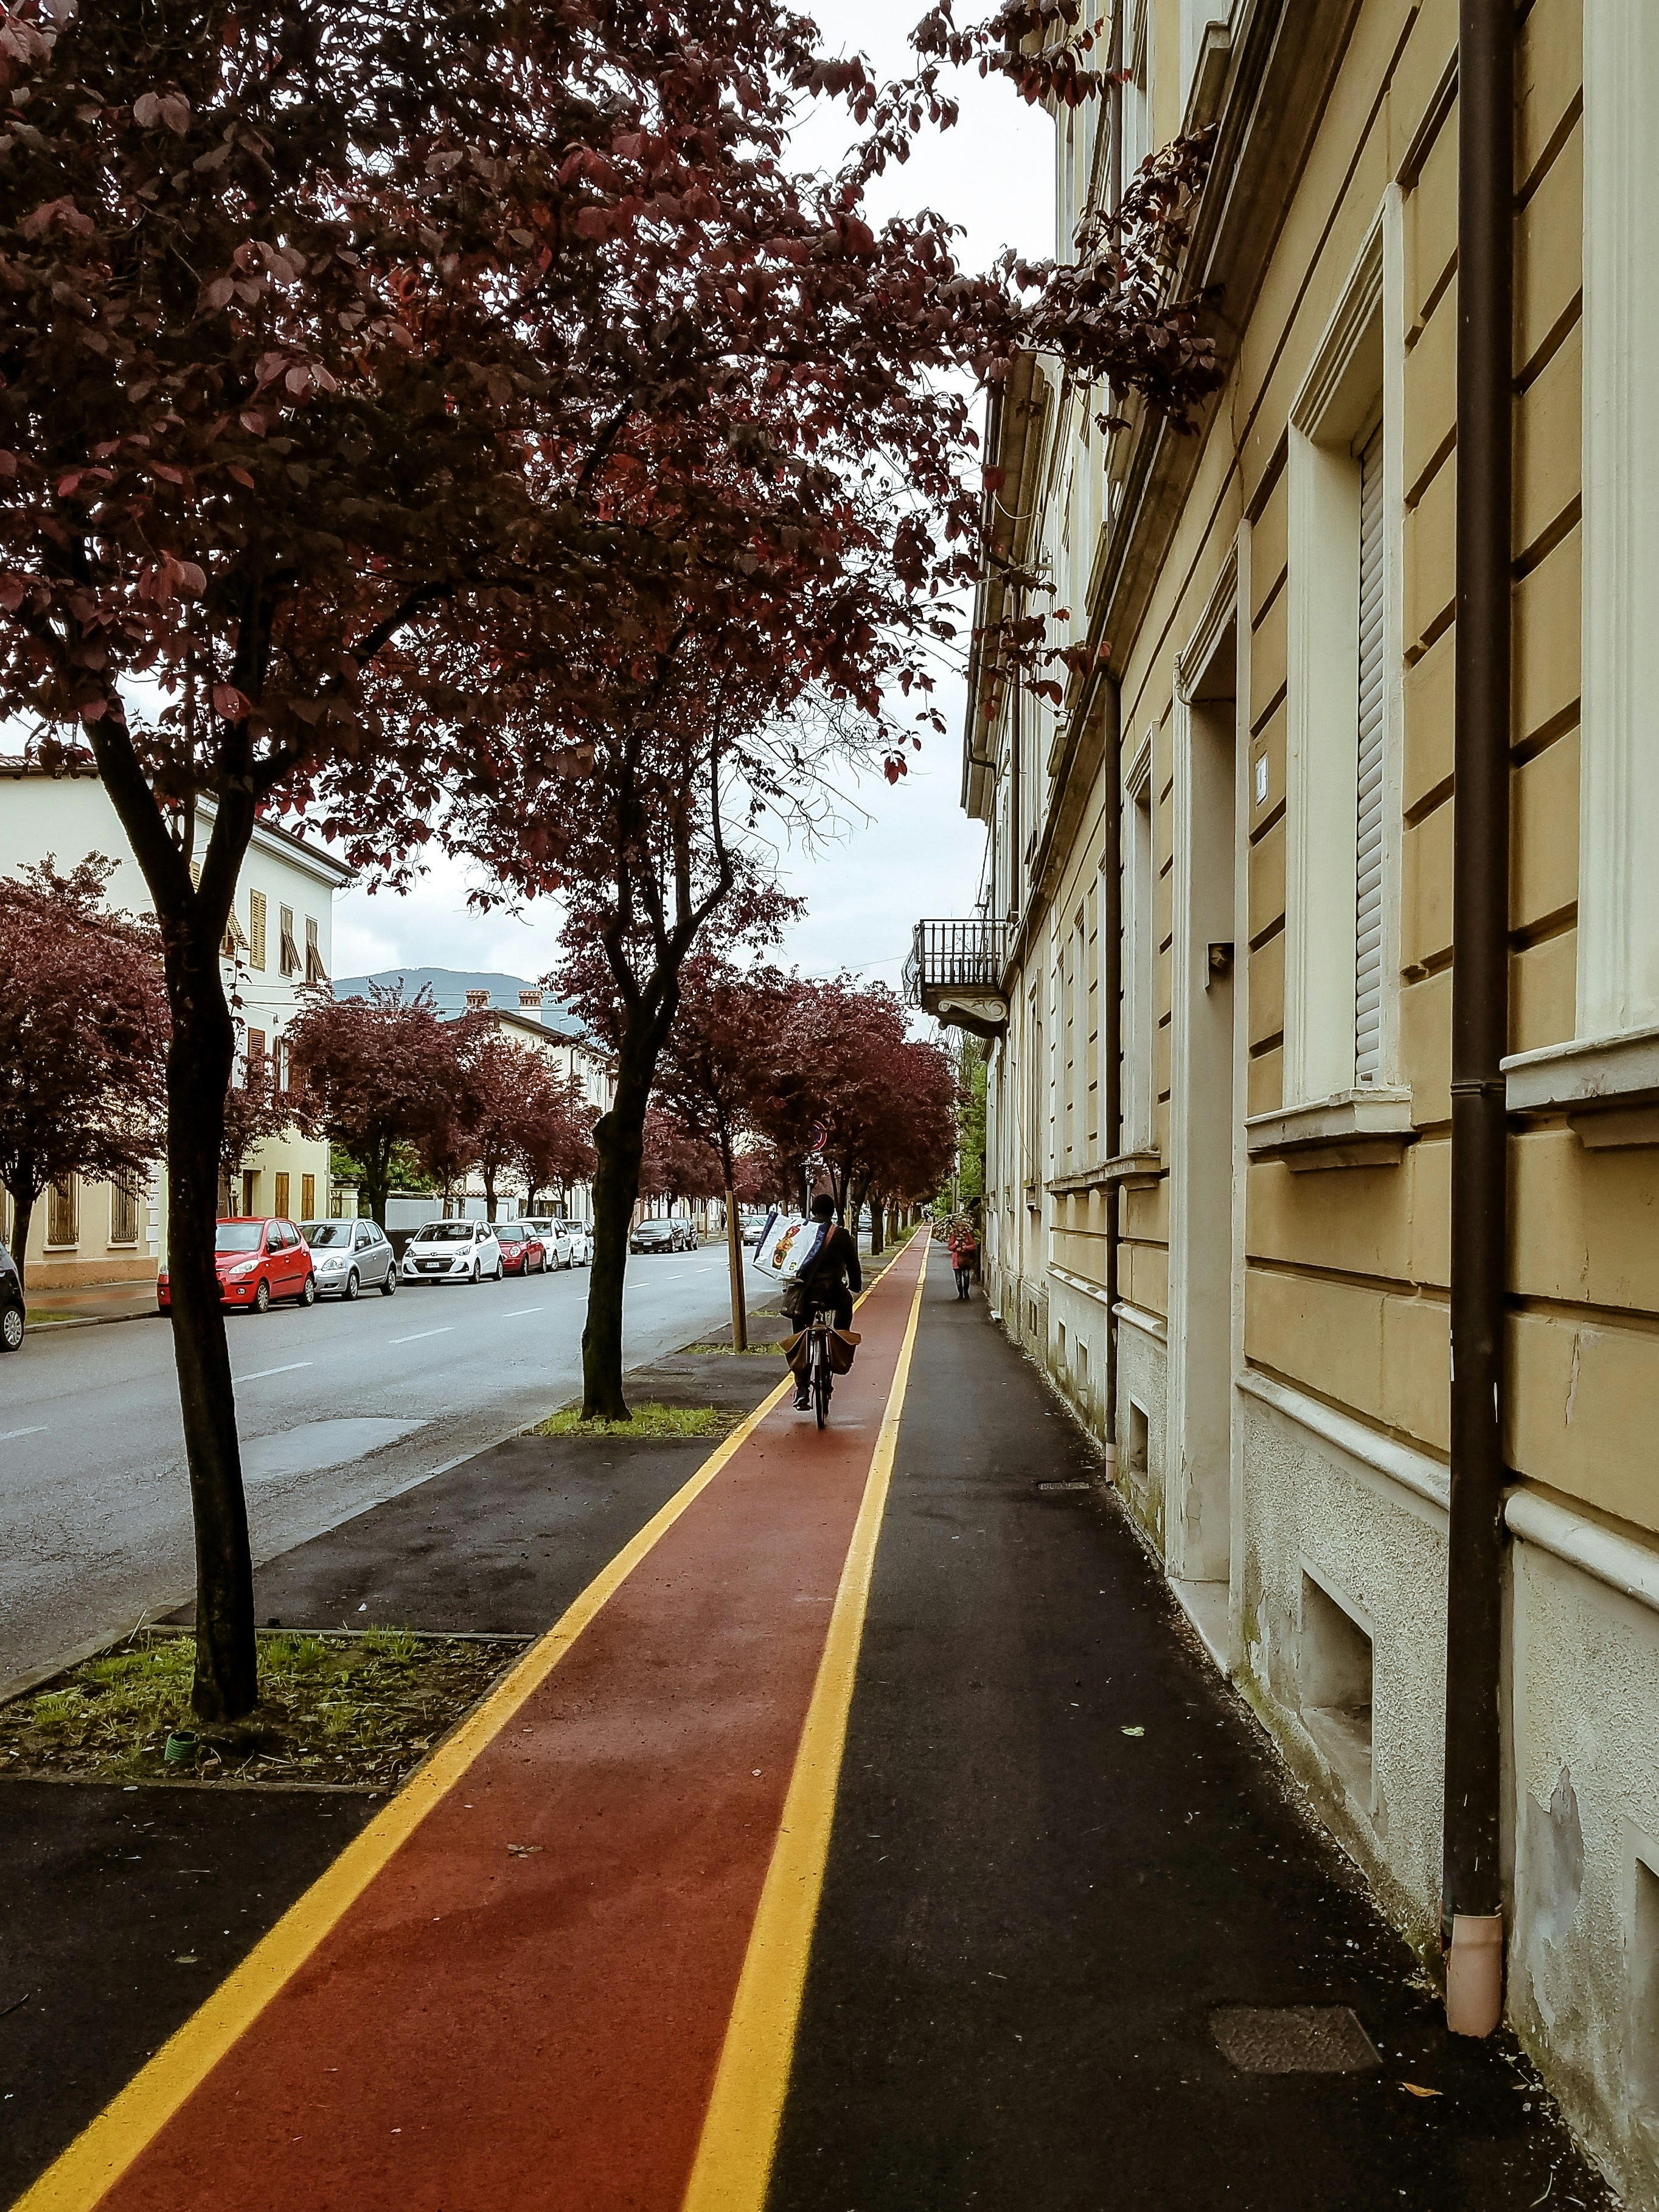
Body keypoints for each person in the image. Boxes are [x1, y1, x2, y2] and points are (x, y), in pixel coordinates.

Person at [782, 1193, 862, 1411]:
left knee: (800, 1337)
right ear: (833, 1212)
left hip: (804, 1295)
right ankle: (840, 1338)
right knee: (845, 1305)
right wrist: (855, 1285)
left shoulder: (801, 1232)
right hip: (832, 1292)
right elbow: (853, 1266)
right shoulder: (842, 1235)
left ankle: (801, 1389)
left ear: (812, 1211)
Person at [947, 1213, 978, 1300]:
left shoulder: (967, 1235)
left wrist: (966, 1247)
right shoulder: (954, 1235)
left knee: (967, 1277)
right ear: (956, 1227)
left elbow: (973, 1245)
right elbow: (950, 1248)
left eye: (962, 1226)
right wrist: (955, 1244)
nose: (961, 1227)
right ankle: (960, 1294)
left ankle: (966, 1292)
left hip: (966, 1259)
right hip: (957, 1260)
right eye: (959, 1226)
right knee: (959, 1280)